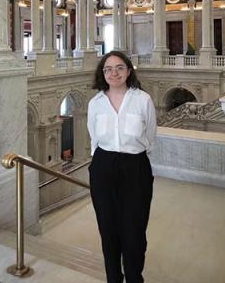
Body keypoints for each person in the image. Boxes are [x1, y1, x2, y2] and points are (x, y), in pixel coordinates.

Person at [87, 50, 157, 283]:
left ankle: (135, 277)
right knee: (108, 229)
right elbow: (93, 137)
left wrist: (132, 155)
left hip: (135, 166)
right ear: (102, 73)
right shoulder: (95, 103)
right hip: (103, 166)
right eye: (108, 69)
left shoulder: (142, 99)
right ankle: (113, 278)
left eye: (119, 68)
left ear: (128, 71)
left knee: (134, 230)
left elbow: (150, 136)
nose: (113, 73)